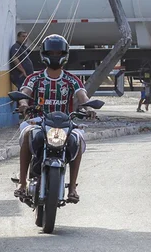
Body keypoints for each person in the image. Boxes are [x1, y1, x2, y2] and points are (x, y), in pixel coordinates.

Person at [13, 34, 94, 204]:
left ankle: (72, 188)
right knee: (28, 134)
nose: (55, 56)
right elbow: (24, 94)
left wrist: (89, 107)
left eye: (59, 53)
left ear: (65, 55)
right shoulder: (34, 78)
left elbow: (83, 97)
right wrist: (23, 104)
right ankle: (21, 183)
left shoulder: (72, 80)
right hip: (37, 121)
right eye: (52, 53)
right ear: (44, 54)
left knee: (78, 139)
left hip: (66, 123)